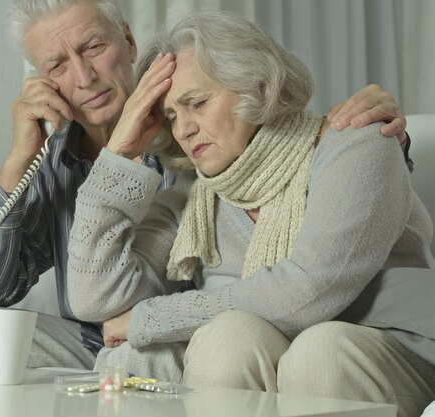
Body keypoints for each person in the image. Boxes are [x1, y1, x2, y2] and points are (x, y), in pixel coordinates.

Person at [0, 0, 411, 372]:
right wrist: (21, 159)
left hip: (191, 334)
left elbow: (284, 150)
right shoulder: (53, 158)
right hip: (99, 334)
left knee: (173, 353)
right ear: (41, 79)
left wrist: (379, 139)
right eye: (58, 65)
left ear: (126, 38)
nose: (84, 77)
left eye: (94, 47)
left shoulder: (195, 155)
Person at [65, 10, 435, 416]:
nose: (184, 129)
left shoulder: (359, 144)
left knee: (319, 351)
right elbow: (94, 300)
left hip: (395, 352)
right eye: (172, 116)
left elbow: (307, 292)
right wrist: (119, 152)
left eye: (198, 103)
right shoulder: (194, 201)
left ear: (255, 84)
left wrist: (149, 318)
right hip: (273, 356)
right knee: (226, 340)